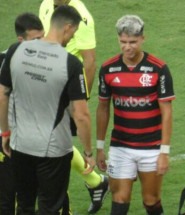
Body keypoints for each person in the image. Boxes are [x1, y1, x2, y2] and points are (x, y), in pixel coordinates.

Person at [0, 5, 95, 215]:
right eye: (74, 33)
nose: (72, 39)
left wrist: (5, 132)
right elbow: (81, 115)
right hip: (53, 151)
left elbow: (3, 95)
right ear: (67, 28)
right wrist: (88, 152)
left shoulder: (15, 51)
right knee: (50, 208)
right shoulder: (70, 63)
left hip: (20, 145)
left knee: (24, 205)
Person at [96, 15, 175, 215]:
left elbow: (167, 112)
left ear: (142, 39)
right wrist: (99, 147)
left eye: (132, 42)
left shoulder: (158, 69)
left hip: (151, 147)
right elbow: (103, 108)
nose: (127, 47)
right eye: (123, 42)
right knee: (120, 199)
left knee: (151, 201)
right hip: (121, 146)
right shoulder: (108, 69)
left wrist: (164, 151)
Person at [39, 1, 109, 214]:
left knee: (51, 145)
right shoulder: (45, 4)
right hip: (46, 83)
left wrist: (81, 99)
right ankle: (96, 182)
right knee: (53, 141)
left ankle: (65, 202)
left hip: (67, 88)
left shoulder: (81, 16)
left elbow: (89, 62)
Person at [0, 12, 44, 215]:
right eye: (36, 39)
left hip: (37, 137)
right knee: (9, 195)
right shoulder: (6, 61)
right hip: (12, 138)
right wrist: (5, 133)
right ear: (21, 39)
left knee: (45, 190)